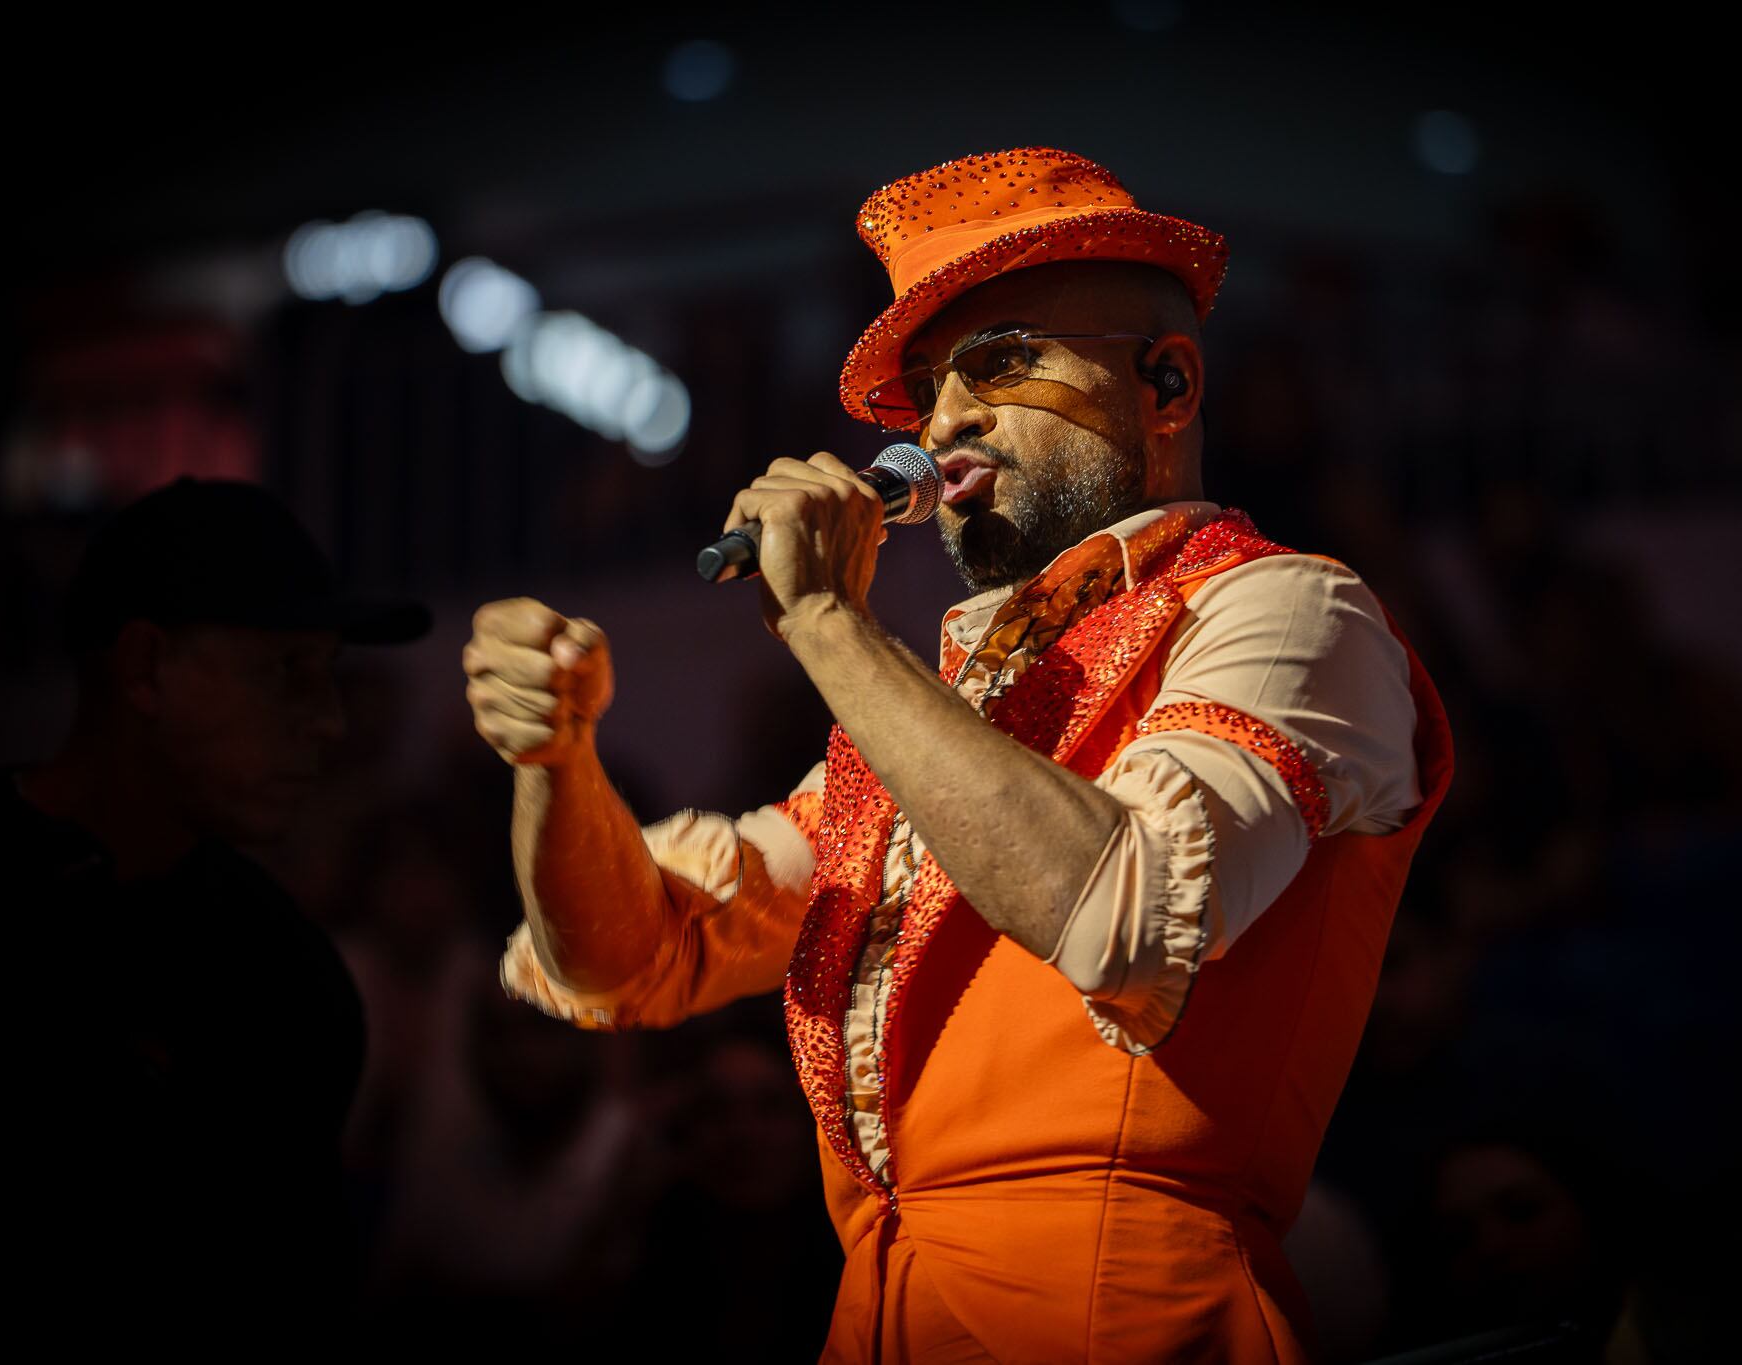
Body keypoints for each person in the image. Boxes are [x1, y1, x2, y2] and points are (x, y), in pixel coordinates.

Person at [465, 147, 1453, 1361]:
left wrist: (828, 626)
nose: (942, 426)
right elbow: (629, 961)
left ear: (1168, 385)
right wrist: (553, 761)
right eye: (926, 388)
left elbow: (1130, 921)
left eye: (999, 363)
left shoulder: (1285, 610)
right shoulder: (937, 716)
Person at [0, 477, 429, 1334]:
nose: (328, 721)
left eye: (327, 674)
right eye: (285, 672)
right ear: (145, 668)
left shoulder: (290, 981)